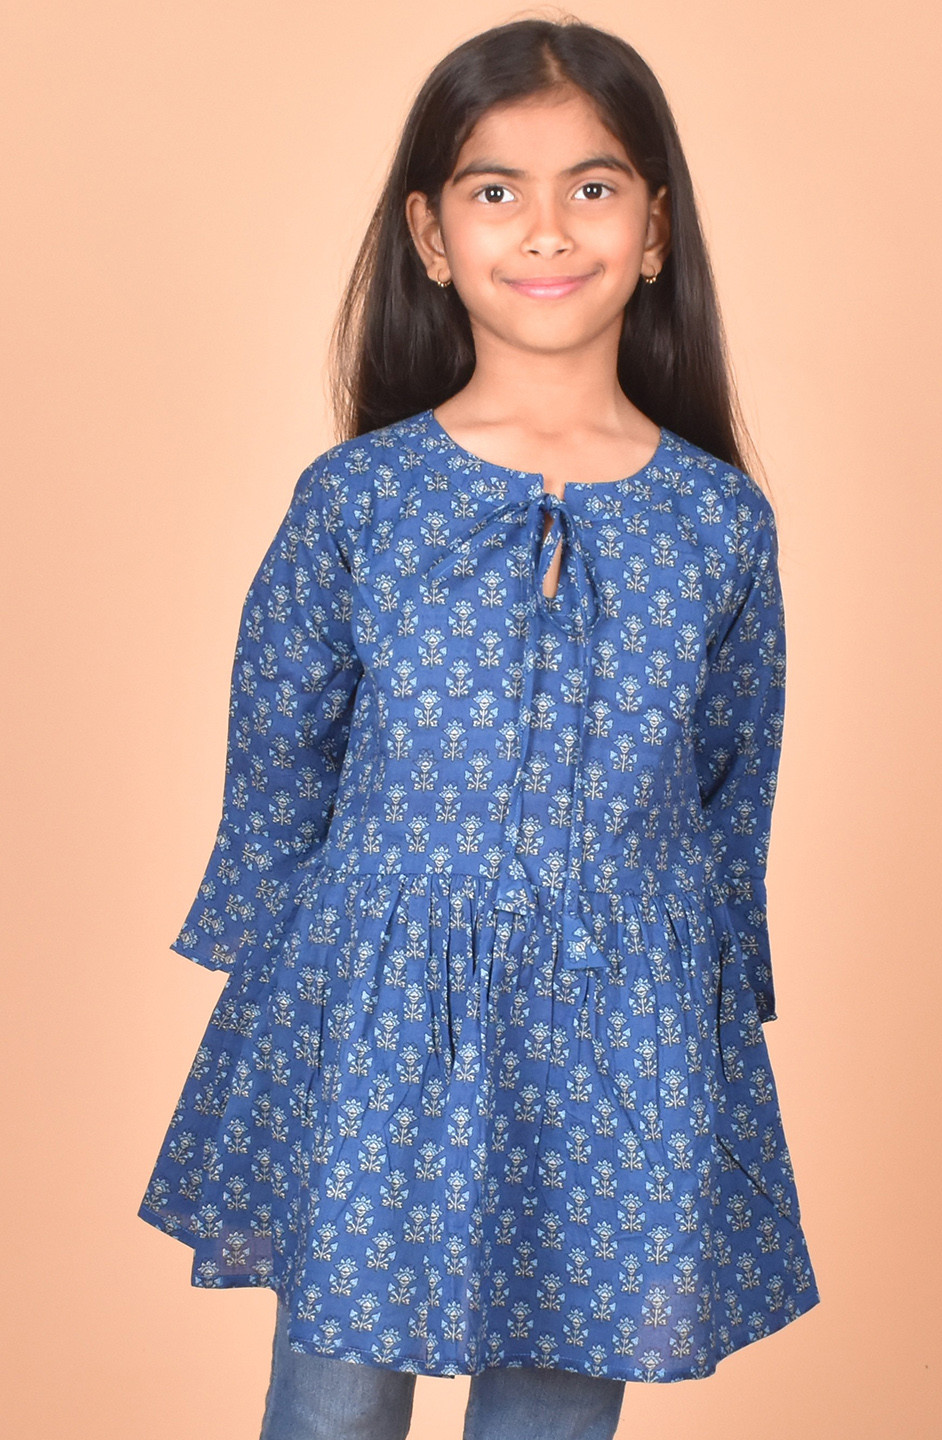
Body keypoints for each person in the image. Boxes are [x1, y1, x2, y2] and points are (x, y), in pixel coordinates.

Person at [137, 16, 821, 1438]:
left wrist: (711, 1001)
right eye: (495, 188)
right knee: (333, 1407)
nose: (546, 227)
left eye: (593, 186)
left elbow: (729, 785)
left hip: (621, 1022)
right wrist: (280, 996)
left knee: (556, 1414)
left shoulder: (719, 525)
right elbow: (280, 764)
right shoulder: (359, 503)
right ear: (431, 237)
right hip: (384, 1011)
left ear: (654, 230)